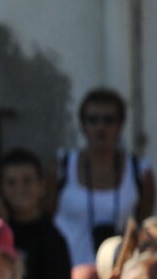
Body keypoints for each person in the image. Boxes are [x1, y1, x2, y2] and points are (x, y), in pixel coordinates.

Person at [53, 86, 154, 268]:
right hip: (69, 274)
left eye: (109, 120)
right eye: (93, 120)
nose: (101, 127)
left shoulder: (140, 172)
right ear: (83, 125)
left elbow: (143, 224)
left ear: (120, 125)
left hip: (119, 275)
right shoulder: (61, 166)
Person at [0, 149, 72, 279]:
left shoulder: (53, 238)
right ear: (1, 188)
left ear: (41, 186)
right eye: (11, 182)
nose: (20, 188)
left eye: (27, 181)